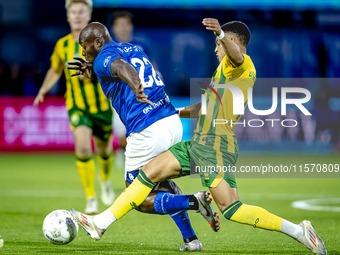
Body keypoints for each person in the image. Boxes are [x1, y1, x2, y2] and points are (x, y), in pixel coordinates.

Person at [71, 19, 327, 255]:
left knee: (144, 178)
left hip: (209, 145)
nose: (216, 49)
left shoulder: (239, 64)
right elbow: (206, 107)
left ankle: (100, 222)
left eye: (218, 45)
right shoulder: (226, 76)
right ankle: (298, 231)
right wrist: (175, 112)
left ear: (232, 42)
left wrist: (221, 33)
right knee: (232, 209)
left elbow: (237, 55)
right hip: (219, 144)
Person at [67, 22, 220, 251]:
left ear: (98, 43)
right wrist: (95, 72)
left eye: (84, 46)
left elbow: (121, 68)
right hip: (171, 121)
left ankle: (193, 201)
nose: (83, 52)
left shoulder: (104, 59)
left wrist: (136, 86)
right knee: (160, 182)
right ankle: (191, 240)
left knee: (135, 192)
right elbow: (118, 70)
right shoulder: (133, 48)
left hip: (147, 129)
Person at [33, 0, 115, 214]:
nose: (77, 15)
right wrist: (44, 89)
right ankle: (90, 196)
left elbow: (112, 69)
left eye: (81, 12)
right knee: (83, 147)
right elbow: (55, 69)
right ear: (68, 16)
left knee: (104, 149)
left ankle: (105, 180)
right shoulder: (62, 45)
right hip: (77, 106)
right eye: (73, 12)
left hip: (102, 106)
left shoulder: (101, 42)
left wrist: (90, 73)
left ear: (88, 15)